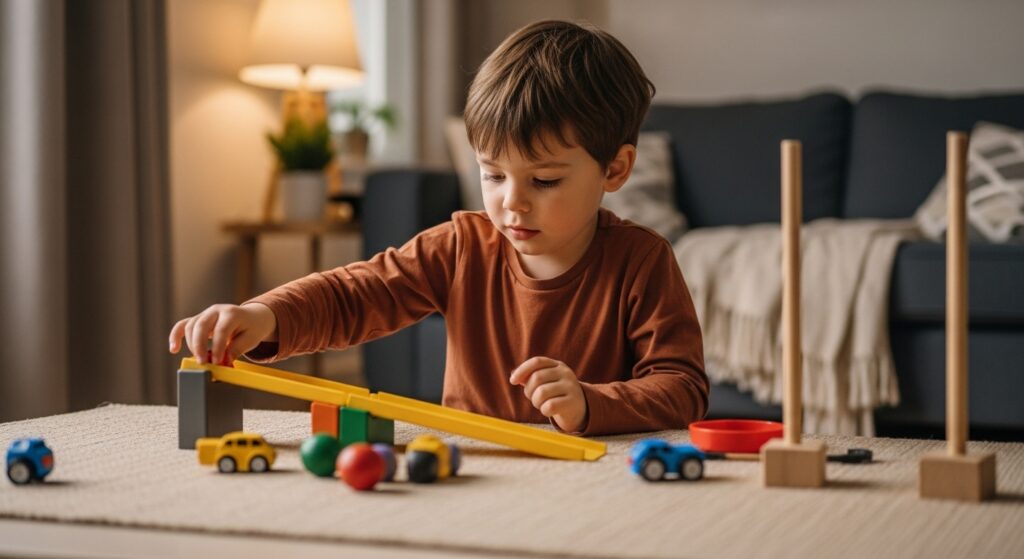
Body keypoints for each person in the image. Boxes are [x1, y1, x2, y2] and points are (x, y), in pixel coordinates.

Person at [169, 20, 708, 436]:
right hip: (473, 469)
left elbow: (682, 388)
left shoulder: (642, 260)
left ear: (614, 169)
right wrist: (264, 315)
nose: (511, 203)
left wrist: (593, 402)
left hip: (590, 475)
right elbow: (356, 294)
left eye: (544, 181)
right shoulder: (460, 247)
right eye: (493, 175)